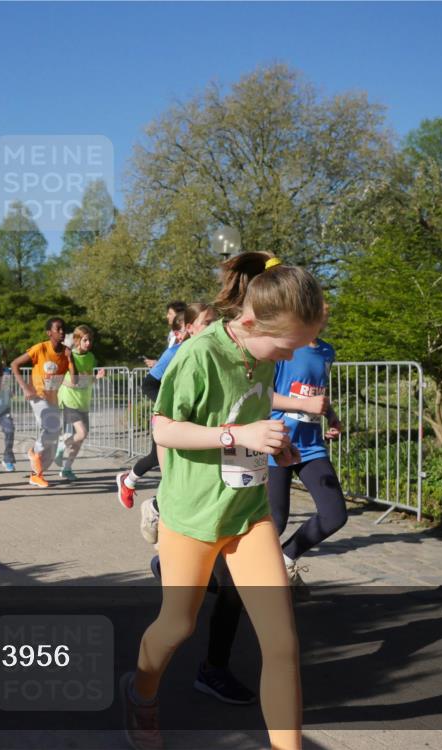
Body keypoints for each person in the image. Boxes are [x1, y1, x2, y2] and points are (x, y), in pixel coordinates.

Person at [122, 253, 322, 750]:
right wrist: (239, 433)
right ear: (251, 322)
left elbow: (253, 406)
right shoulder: (198, 354)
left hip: (248, 515)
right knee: (177, 625)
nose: (287, 358)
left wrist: (276, 441)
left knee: (281, 645)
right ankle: (141, 695)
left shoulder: (261, 352)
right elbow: (163, 428)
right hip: (191, 516)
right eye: (285, 347)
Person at [268, 307, 346, 590]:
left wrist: (331, 416)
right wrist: (303, 405)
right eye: (318, 309)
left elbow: (316, 393)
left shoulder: (327, 351)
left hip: (312, 445)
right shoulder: (285, 347)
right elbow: (263, 397)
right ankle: (223, 576)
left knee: (334, 514)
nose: (323, 315)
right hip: (277, 442)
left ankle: (285, 560)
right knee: (274, 522)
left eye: (326, 312)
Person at [118, 304, 218, 511]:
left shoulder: (213, 351)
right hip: (168, 420)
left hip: (192, 422)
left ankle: (149, 500)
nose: (213, 328)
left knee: (185, 471)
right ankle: (153, 506)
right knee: (168, 468)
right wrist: (166, 408)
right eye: (208, 323)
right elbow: (148, 384)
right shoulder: (174, 353)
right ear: (189, 329)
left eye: (215, 322)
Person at [10, 317, 72, 489]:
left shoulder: (66, 353)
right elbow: (14, 364)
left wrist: (71, 359)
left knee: (53, 438)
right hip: (37, 396)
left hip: (53, 398)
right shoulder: (40, 348)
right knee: (51, 427)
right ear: (49, 332)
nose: (61, 332)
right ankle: (35, 452)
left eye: (63, 329)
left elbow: (74, 379)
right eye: (57, 329)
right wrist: (24, 387)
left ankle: (37, 474)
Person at [55, 325, 105, 481]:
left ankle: (67, 468)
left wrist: (97, 378)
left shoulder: (90, 357)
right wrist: (71, 383)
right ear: (77, 340)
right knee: (81, 432)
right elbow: (59, 377)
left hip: (83, 401)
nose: (88, 343)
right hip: (68, 399)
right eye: (85, 339)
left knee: (82, 437)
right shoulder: (69, 356)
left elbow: (88, 380)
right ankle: (62, 444)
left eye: (90, 339)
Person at [0, 345, 17, 472]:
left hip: (5, 409)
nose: (1, 361)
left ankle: (7, 458)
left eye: (2, 358)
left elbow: (6, 386)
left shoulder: (7, 370)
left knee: (10, 431)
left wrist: (10, 391)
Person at [144, 301, 187, 368]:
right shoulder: (171, 334)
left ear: (178, 315)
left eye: (170, 313)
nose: (167, 316)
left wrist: (157, 364)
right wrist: (158, 364)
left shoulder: (185, 334)